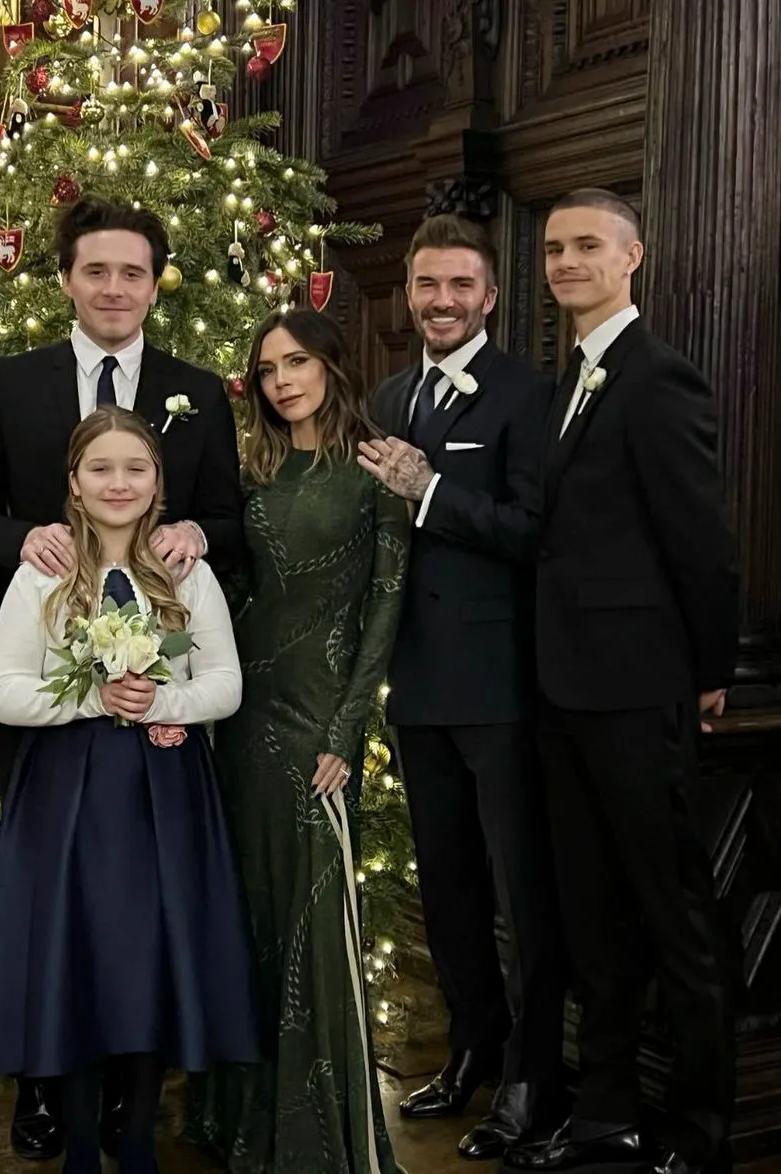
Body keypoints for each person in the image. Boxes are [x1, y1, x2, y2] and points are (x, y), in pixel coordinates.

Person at [0, 196, 244, 1158]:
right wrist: (27, 542)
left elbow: (229, 522)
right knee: (51, 894)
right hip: (52, 687)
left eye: (134, 272)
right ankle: (45, 1087)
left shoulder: (198, 389)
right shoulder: (13, 383)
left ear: (157, 282)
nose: (115, 287)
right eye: (97, 270)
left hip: (159, 692)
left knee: (140, 901)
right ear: (66, 277)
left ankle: (128, 1096)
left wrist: (196, 531)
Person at [0, 406, 259, 1174]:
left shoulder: (186, 569)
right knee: (79, 956)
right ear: (75, 486)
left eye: (136, 468)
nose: (119, 483)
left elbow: (224, 683)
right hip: (69, 793)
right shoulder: (43, 573)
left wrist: (162, 702)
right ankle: (81, 1142)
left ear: (157, 482)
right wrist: (92, 697)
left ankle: (138, 1135)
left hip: (166, 787)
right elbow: (6, 692)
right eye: (101, 469)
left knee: (152, 955)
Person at [503, 189, 738, 1174]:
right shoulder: (572, 379)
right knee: (591, 916)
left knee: (671, 917)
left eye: (587, 245)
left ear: (632, 256)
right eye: (555, 248)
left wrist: (710, 671)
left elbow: (701, 542)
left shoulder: (656, 377)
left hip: (642, 690)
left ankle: (698, 1131)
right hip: (565, 691)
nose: (566, 262)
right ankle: (606, 1114)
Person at [359, 214, 566, 1160]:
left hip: (505, 688)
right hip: (419, 687)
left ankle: (534, 1077)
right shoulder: (391, 396)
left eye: (460, 286)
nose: (441, 301)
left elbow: (537, 534)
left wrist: (431, 490)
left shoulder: (532, 394)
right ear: (410, 292)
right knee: (444, 886)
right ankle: (474, 1046)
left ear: (489, 295)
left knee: (523, 892)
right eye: (426, 285)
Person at [188, 309, 409, 1173]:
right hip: (242, 718)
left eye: (296, 363)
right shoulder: (253, 471)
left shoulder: (374, 470)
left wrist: (349, 728)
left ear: (329, 365)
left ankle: (319, 1142)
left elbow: (384, 609)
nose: (282, 381)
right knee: (247, 912)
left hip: (319, 720)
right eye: (267, 369)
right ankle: (241, 1122)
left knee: (315, 924)